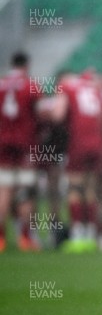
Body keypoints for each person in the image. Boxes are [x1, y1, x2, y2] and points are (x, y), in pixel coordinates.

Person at [52, 68, 102, 253]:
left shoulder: (67, 88)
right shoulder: (95, 89)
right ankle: (90, 235)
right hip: (97, 143)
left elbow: (58, 114)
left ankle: (77, 236)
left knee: (74, 188)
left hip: (78, 142)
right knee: (90, 189)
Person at [0, 52, 43, 252]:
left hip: (2, 144)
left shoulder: (2, 83)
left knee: (4, 190)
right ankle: (25, 238)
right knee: (25, 191)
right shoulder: (31, 85)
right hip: (25, 143)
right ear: (27, 65)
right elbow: (43, 113)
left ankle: (0, 239)